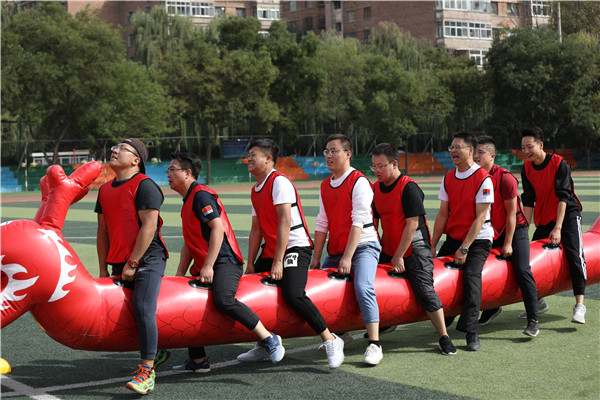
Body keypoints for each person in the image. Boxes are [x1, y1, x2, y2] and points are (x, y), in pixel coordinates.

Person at [166, 152, 285, 371]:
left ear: (187, 173)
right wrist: (180, 273)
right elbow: (190, 242)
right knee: (188, 303)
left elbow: (217, 228)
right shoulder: (188, 201)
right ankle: (198, 360)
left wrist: (209, 265)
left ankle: (269, 338)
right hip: (208, 263)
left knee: (224, 299)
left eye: (172, 170)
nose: (168, 174)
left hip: (225, 261)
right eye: (168, 170)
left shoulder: (201, 195)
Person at [240, 139, 344, 369]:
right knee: (250, 289)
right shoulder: (255, 189)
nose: (249, 159)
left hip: (295, 246)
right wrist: (251, 264)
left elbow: (285, 222)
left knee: (293, 293)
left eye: (254, 154)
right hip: (272, 249)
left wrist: (278, 262)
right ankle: (264, 341)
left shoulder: (279, 182)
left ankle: (330, 339)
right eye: (249, 154)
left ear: (268, 159)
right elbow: (256, 229)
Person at [96, 139, 168, 394]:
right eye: (114, 147)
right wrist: (103, 269)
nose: (115, 150)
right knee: (120, 312)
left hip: (148, 259)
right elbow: (102, 231)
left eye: (122, 149)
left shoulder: (145, 185)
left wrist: (133, 262)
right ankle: (160, 349)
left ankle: (147, 372)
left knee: (142, 306)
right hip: (118, 262)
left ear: (137, 160)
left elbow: (149, 226)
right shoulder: (104, 190)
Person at [371, 143, 457, 355]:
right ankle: (386, 322)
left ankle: (444, 336)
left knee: (425, 290)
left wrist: (398, 256)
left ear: (394, 164)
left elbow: (412, 225)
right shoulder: (375, 188)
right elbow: (374, 222)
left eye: (381, 166)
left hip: (414, 247)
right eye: (374, 166)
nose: (377, 170)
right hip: (389, 246)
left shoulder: (409, 188)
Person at [309, 134, 384, 366]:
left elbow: (359, 221)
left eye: (334, 151)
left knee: (363, 287)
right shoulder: (325, 184)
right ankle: (340, 335)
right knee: (319, 291)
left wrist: (348, 257)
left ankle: (375, 344)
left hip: (364, 246)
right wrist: (316, 259)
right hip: (336, 249)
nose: (329, 156)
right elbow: (322, 222)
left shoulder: (359, 181)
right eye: (327, 151)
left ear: (348, 154)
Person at [431, 132, 494, 352]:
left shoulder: (483, 178)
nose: (453, 151)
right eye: (451, 147)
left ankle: (471, 331)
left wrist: (464, 248)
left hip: (478, 240)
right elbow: (442, 215)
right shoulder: (448, 177)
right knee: (434, 273)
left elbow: (481, 217)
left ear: (470, 150)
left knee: (471, 277)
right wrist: (432, 245)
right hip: (454, 237)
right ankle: (445, 318)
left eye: (458, 147)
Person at [475, 136, 540, 337]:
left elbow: (512, 214)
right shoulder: (474, 177)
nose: (476, 156)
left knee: (522, 269)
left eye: (481, 153)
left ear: (492, 156)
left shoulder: (505, 178)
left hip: (515, 229)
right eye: (475, 153)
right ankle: (492, 306)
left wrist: (509, 243)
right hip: (491, 230)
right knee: (480, 267)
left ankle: (533, 320)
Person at [520, 127, 586, 323]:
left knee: (575, 254)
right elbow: (528, 201)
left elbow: (563, 196)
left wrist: (558, 228)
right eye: (523, 148)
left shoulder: (559, 163)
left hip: (568, 214)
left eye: (529, 147)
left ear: (540, 145)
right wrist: (523, 230)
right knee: (529, 259)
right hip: (544, 218)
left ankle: (579, 305)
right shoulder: (526, 168)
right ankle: (538, 302)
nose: (526, 151)